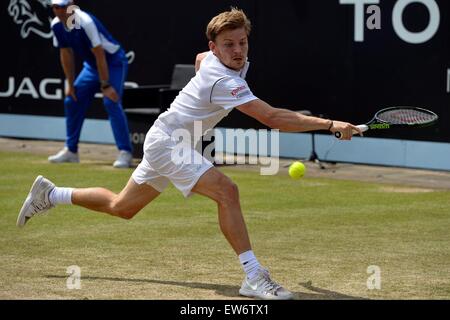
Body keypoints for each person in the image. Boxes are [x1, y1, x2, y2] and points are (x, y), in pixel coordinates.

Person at [17, 8, 361, 300]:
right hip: (169, 143)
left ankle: (51, 194)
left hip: (170, 140)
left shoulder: (213, 59)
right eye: (228, 45)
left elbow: (201, 61)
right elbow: (271, 117)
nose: (238, 51)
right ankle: (253, 277)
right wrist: (330, 123)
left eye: (242, 42)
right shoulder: (224, 80)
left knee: (122, 208)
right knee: (228, 191)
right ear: (216, 46)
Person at [48, 0, 133, 168]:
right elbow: (66, 53)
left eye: (63, 6)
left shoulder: (85, 22)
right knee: (72, 100)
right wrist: (70, 85)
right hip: (92, 67)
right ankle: (71, 151)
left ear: (71, 4)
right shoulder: (56, 25)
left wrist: (106, 85)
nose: (60, 11)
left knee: (111, 101)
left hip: (113, 62)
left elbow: (100, 54)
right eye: (56, 7)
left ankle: (126, 153)